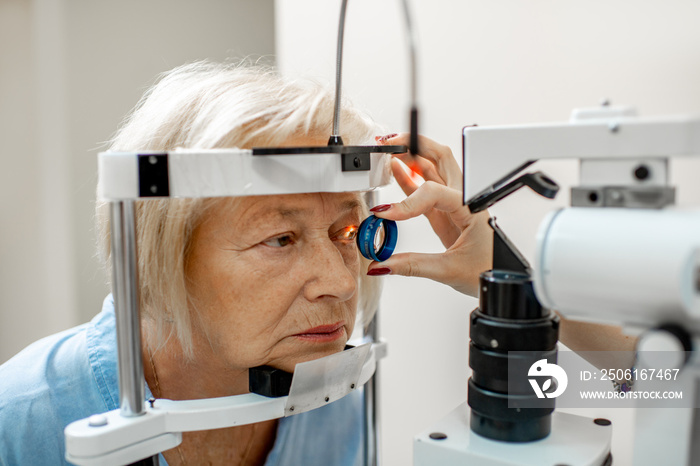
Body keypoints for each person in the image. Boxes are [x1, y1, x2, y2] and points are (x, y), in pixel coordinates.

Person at [0, 61, 385, 466]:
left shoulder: (330, 402)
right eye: (279, 239)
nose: (341, 281)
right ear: (163, 257)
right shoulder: (21, 425)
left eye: (347, 233)